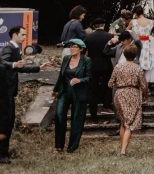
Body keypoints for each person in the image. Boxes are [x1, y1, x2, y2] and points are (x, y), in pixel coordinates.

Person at [0, 26, 46, 163]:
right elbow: (2, 63)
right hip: (4, 92)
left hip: (8, 92)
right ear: (15, 34)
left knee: (8, 122)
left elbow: (20, 68)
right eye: (23, 34)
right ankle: (2, 155)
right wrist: (14, 64)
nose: (25, 37)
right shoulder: (8, 48)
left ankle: (5, 152)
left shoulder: (14, 48)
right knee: (5, 122)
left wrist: (39, 68)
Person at [108, 44, 148, 156]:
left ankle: (123, 147)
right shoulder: (138, 68)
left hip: (119, 94)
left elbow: (110, 84)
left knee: (123, 122)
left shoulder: (117, 67)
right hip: (132, 94)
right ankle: (123, 151)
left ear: (124, 55)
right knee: (130, 123)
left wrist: (120, 83)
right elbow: (144, 86)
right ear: (135, 56)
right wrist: (145, 96)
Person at [52, 38, 91, 153]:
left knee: (76, 119)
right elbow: (61, 75)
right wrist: (55, 90)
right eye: (71, 46)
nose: (71, 48)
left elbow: (89, 77)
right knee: (59, 116)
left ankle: (72, 147)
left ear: (81, 49)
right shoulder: (66, 59)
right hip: (64, 91)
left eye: (74, 47)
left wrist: (79, 80)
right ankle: (59, 146)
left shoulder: (86, 60)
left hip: (78, 93)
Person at [84, 18, 113, 122]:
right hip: (106, 65)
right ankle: (106, 104)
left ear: (94, 26)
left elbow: (84, 52)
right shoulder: (109, 36)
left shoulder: (89, 37)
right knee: (108, 85)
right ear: (103, 25)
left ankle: (93, 114)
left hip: (93, 66)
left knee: (93, 89)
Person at [129, 6, 154, 83]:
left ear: (135, 13)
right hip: (146, 44)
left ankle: (137, 81)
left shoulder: (133, 21)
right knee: (146, 61)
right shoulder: (151, 21)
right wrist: (152, 29)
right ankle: (145, 83)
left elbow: (127, 30)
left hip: (137, 43)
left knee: (136, 61)